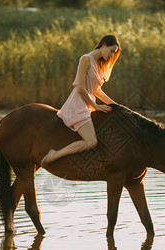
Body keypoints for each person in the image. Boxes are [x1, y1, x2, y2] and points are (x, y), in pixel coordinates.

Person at [41, 35, 121, 167]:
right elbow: (81, 89)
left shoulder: (98, 64)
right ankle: (54, 155)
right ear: (104, 45)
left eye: (115, 52)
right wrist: (95, 106)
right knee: (91, 142)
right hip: (78, 104)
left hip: (87, 104)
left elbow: (97, 91)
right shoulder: (85, 59)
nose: (112, 55)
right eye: (112, 51)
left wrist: (116, 106)